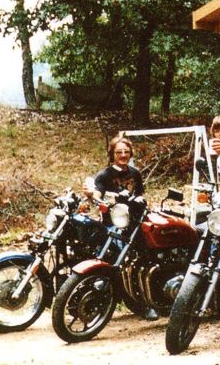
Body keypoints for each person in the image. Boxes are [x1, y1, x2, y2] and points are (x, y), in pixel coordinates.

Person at [82, 135, 158, 321]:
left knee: (143, 260)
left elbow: (140, 195)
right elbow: (97, 194)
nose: (123, 155)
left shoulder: (135, 173)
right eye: (119, 152)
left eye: (126, 152)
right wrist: (93, 194)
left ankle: (146, 302)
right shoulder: (105, 175)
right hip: (113, 225)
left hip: (135, 224)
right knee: (113, 262)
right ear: (112, 154)